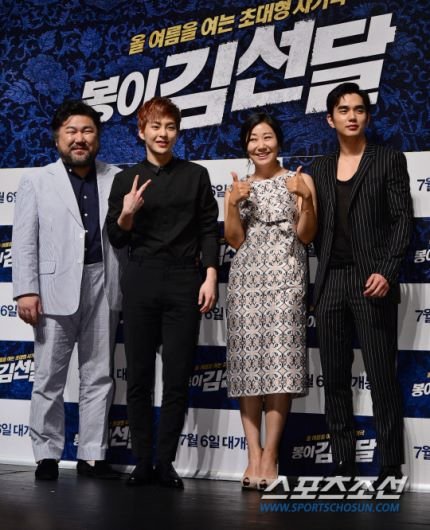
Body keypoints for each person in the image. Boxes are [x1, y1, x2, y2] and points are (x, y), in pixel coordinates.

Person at [106, 96, 219, 489]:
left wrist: (210, 275)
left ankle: (166, 461)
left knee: (177, 376)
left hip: (185, 280)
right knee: (138, 375)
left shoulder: (196, 175)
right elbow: (116, 236)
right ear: (141, 132)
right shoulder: (125, 180)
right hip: (140, 277)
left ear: (178, 132)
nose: (163, 133)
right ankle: (142, 461)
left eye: (170, 126)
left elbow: (208, 229)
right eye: (155, 126)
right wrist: (127, 212)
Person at [12, 100, 124, 481]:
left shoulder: (116, 177)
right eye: (71, 131)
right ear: (57, 138)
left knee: (99, 375)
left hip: (104, 282)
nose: (80, 138)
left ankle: (93, 455)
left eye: (87, 131)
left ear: (98, 137)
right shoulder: (37, 180)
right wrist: (26, 290)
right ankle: (46, 454)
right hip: (52, 288)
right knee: (49, 376)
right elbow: (23, 241)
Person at [311, 82, 413, 486]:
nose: (351, 116)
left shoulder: (387, 159)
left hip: (372, 280)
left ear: (367, 116)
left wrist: (386, 270)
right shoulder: (319, 168)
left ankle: (390, 465)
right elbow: (309, 229)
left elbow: (402, 220)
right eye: (343, 110)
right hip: (330, 282)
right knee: (335, 379)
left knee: (381, 376)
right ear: (330, 119)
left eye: (358, 109)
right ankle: (343, 464)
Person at [224, 113, 317, 490]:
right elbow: (234, 240)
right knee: (248, 369)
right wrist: (233, 204)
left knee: (281, 368)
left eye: (267, 137)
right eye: (253, 138)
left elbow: (306, 235)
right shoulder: (238, 186)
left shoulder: (300, 179)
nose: (260, 145)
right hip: (246, 281)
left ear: (278, 141)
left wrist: (304, 198)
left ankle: (270, 455)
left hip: (287, 279)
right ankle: (252, 455)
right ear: (246, 146)